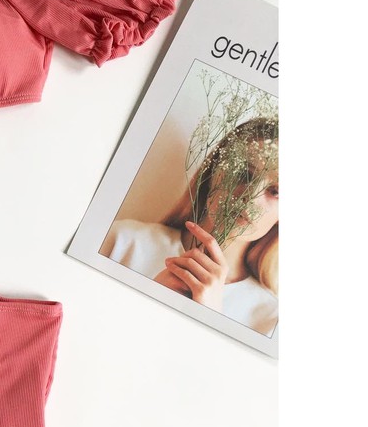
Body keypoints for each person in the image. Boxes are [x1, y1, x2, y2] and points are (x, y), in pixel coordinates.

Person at [100, 116, 278, 335]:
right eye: (244, 173)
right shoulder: (119, 241)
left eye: (276, 191)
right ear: (214, 170)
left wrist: (208, 321)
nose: (250, 196)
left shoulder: (271, 319)